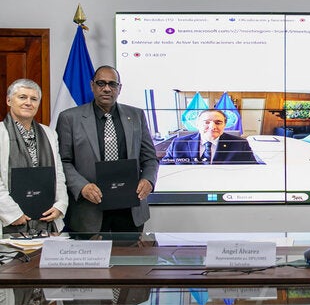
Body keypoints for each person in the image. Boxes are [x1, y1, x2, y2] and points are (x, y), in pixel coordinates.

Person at [56, 66, 159, 234]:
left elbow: (149, 158)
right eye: (101, 83)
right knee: (91, 260)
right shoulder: (69, 118)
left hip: (130, 210)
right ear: (92, 85)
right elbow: (63, 161)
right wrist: (82, 186)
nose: (106, 88)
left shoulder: (136, 115)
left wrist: (148, 180)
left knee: (129, 259)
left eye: (112, 84)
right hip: (89, 208)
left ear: (119, 88)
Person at [0, 79, 67, 235]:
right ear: (9, 100)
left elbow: (58, 175)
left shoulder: (49, 133)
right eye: (22, 97)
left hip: (47, 221)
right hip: (9, 222)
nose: (28, 103)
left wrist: (60, 205)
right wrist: (12, 214)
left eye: (34, 99)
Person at [161, 109, 262, 165]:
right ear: (197, 124)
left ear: (225, 125)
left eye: (218, 122)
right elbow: (164, 168)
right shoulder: (178, 144)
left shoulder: (240, 144)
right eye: (207, 122)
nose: (212, 127)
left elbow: (252, 169)